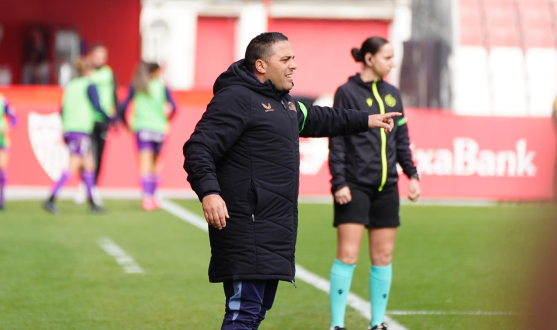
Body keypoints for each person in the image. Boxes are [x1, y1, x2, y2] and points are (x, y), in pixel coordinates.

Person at [182, 32, 401, 330]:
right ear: (261, 65)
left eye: (293, 58)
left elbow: (322, 118)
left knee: (255, 313)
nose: (294, 65)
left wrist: (367, 120)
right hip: (247, 225)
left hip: (274, 228)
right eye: (285, 59)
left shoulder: (285, 104)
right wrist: (209, 192)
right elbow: (199, 147)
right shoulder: (236, 98)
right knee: (243, 313)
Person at [327, 37, 421, 330]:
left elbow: (402, 141)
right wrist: (339, 182)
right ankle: (337, 325)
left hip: (386, 187)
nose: (393, 63)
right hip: (353, 186)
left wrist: (412, 175)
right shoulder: (346, 92)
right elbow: (337, 139)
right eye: (388, 58)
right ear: (369, 59)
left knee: (383, 256)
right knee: (348, 256)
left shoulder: (393, 94)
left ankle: (377, 324)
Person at [43, 58, 113, 214]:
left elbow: (62, 109)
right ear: (89, 71)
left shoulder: (70, 87)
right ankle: (50, 198)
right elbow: (97, 107)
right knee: (73, 165)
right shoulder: (89, 86)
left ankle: (92, 203)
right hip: (80, 130)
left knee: (89, 165)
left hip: (69, 129)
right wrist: (111, 119)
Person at [119, 62, 177, 211]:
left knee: (144, 163)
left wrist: (126, 124)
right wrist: (166, 120)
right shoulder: (162, 87)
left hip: (142, 127)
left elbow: (123, 107)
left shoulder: (136, 86)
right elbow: (174, 108)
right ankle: (154, 194)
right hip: (159, 129)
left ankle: (147, 197)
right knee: (155, 164)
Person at [74, 43, 118, 205]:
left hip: (103, 120)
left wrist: (116, 117)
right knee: (84, 153)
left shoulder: (108, 73)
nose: (101, 59)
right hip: (87, 119)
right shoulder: (85, 73)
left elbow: (113, 94)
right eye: (98, 56)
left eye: (103, 56)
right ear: (91, 56)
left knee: (99, 154)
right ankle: (82, 185)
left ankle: (94, 187)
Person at [0, 93, 17, 210]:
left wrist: (9, 127)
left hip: (1, 140)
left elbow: (15, 119)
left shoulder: (2, 100)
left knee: (2, 169)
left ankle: (1, 200)